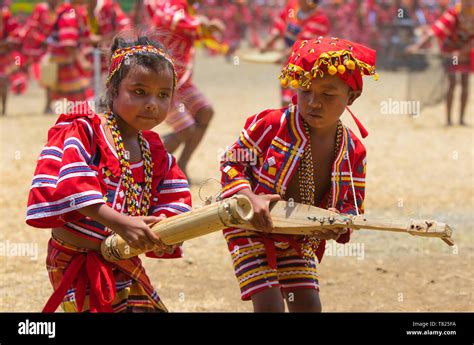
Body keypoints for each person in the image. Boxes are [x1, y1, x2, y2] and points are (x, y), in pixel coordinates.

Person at [26, 33, 192, 313]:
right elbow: (73, 185)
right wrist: (120, 223)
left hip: (121, 257)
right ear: (113, 89)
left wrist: (167, 230)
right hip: (76, 258)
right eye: (139, 92)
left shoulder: (154, 149)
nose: (152, 103)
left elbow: (172, 198)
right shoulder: (86, 131)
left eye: (163, 95)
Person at [219, 37, 376, 312]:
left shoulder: (353, 149)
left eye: (327, 95)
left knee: (308, 306)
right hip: (250, 227)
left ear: (351, 97)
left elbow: (351, 204)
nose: (314, 103)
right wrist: (249, 197)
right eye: (305, 91)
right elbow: (232, 162)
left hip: (299, 236)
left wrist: (337, 221)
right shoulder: (272, 124)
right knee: (269, 305)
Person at [154, 0, 224, 179]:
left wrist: (208, 29)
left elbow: (195, 34)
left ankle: (182, 164)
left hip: (182, 80)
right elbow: (170, 19)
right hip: (162, 78)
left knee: (205, 112)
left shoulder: (189, 10)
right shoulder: (169, 4)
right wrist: (202, 23)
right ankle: (148, 164)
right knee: (186, 129)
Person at [408, 0, 473, 126]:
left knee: (465, 84)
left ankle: (461, 120)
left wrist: (461, 53)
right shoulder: (453, 15)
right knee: (452, 83)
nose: (469, 3)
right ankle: (448, 120)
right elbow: (434, 31)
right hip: (449, 51)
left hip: (466, 53)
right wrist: (417, 46)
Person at [260, 0, 330, 106]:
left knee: (297, 99)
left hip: (305, 66)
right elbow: (281, 24)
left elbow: (305, 44)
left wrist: (285, 54)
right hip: (289, 61)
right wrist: (269, 42)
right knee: (285, 97)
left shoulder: (320, 19)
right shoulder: (292, 7)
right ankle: (286, 119)